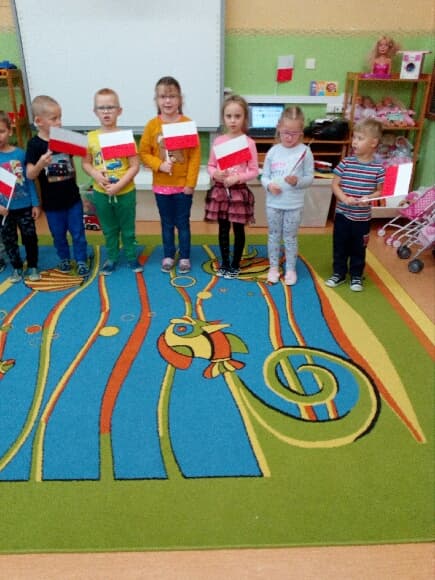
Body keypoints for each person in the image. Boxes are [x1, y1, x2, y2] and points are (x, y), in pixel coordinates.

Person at [139, 76, 200, 274]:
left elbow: (194, 157)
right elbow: (143, 153)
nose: (167, 101)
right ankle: (168, 254)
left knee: (182, 223)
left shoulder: (187, 124)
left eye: (172, 96)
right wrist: (159, 165)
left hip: (183, 186)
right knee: (166, 223)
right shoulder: (152, 126)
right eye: (163, 96)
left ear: (180, 99)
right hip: (161, 186)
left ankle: (185, 257)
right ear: (156, 100)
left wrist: (190, 184)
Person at [26, 95, 89, 276]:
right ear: (39, 121)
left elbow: (76, 159)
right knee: (58, 234)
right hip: (52, 204)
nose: (59, 122)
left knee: (78, 233)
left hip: (72, 199)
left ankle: (81, 259)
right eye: (54, 119)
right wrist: (40, 164)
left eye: (60, 117)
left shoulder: (63, 138)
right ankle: (64, 259)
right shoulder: (34, 144)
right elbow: (30, 174)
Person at [82, 88, 141, 275]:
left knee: (128, 228)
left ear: (119, 111)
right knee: (108, 228)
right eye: (101, 108)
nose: (106, 111)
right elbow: (86, 163)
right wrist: (96, 175)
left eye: (110, 107)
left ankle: (131, 256)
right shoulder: (90, 137)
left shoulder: (124, 137)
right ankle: (112, 257)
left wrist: (119, 185)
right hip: (101, 193)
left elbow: (134, 166)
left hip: (125, 192)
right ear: (95, 111)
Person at [325, 118, 385, 292]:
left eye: (360, 138)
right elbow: (335, 185)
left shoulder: (378, 169)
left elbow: (380, 191)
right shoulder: (346, 163)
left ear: (373, 143)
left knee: (359, 248)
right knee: (340, 246)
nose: (354, 142)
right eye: (354, 137)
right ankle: (339, 273)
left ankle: (356, 275)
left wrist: (368, 197)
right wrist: (344, 198)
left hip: (362, 218)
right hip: (342, 215)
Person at [205, 94, 259, 279]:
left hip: (238, 193)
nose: (233, 120)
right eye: (229, 116)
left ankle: (235, 264)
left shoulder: (248, 143)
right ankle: (225, 263)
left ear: (245, 118)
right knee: (223, 229)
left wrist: (238, 178)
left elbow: (254, 170)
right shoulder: (218, 141)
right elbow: (210, 165)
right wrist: (215, 174)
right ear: (223, 117)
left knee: (238, 230)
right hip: (221, 192)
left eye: (237, 116)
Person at [260, 106, 314, 286]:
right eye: (285, 133)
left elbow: (310, 178)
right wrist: (269, 186)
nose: (289, 137)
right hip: (273, 204)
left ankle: (290, 269)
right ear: (278, 128)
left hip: (294, 205)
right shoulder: (273, 151)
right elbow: (264, 176)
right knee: (274, 236)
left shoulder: (305, 152)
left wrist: (297, 181)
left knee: (290, 238)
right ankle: (273, 267)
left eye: (294, 133)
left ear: (301, 132)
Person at [0, 110, 41, 283]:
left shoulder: (21, 154)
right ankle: (16, 267)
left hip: (24, 206)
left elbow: (30, 181)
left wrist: (35, 203)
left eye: (1, 131)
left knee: (30, 237)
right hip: (4, 210)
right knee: (9, 240)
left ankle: (33, 265)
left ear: (9, 131)